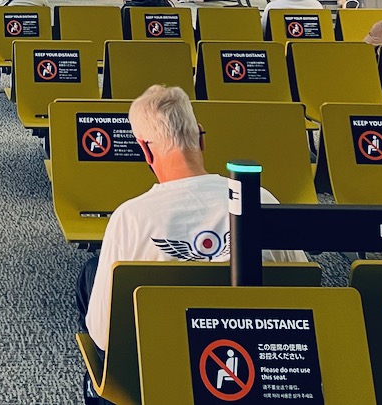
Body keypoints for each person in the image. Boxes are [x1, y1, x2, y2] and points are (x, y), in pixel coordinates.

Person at [78, 85, 304, 352]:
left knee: (91, 273)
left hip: (159, 369)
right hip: (262, 357)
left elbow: (105, 335)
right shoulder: (260, 199)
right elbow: (303, 289)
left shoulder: (130, 217)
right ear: (200, 138)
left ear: (145, 151)